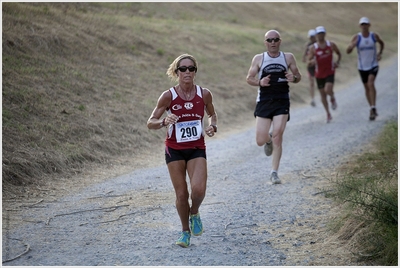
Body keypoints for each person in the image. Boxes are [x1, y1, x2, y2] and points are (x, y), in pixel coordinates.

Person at [147, 54, 218, 248]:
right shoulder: (168, 95)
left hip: (196, 148)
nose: (187, 72)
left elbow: (212, 114)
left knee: (199, 189)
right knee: (181, 194)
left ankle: (194, 211)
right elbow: (150, 122)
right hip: (174, 150)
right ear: (177, 72)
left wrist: (213, 126)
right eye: (183, 68)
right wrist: (163, 121)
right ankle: (185, 232)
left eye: (191, 68)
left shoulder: (204, 94)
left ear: (195, 71)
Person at [246, 30, 301, 184]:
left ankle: (274, 173)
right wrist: (259, 82)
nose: (273, 43)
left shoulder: (288, 57)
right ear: (265, 42)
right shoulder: (259, 59)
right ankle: (268, 141)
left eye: (275, 39)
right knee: (259, 140)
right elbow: (249, 78)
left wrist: (293, 78)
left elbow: (298, 76)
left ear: (280, 41)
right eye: (269, 40)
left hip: (282, 101)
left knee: (278, 134)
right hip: (264, 101)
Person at [346, 17, 385, 120]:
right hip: (362, 67)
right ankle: (371, 107)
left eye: (365, 24)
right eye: (362, 24)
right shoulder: (356, 38)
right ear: (360, 26)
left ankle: (373, 107)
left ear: (369, 25)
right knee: (366, 88)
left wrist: (380, 53)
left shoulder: (374, 36)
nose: (364, 26)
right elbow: (348, 51)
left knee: (370, 83)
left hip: (373, 64)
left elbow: (382, 43)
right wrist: (352, 46)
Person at [307, 26, 341, 123]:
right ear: (316, 35)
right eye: (319, 33)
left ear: (325, 34)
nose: (321, 35)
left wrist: (337, 62)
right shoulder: (313, 48)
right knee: (322, 94)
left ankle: (332, 97)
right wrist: (312, 61)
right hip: (319, 74)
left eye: (322, 33)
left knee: (328, 89)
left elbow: (339, 53)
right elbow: (308, 61)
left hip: (330, 71)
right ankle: (328, 113)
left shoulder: (331, 45)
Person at [302, 29, 317, 107]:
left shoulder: (319, 45)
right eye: (311, 37)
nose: (312, 39)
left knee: (320, 81)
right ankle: (313, 99)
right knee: (311, 82)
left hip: (318, 66)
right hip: (310, 67)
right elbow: (303, 57)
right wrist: (307, 60)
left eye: (313, 37)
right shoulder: (308, 45)